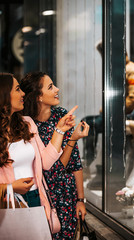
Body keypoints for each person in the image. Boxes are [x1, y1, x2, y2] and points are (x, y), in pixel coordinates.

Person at [0, 72, 80, 232]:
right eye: (17, 89)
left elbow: (45, 162)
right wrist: (11, 187)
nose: (23, 93)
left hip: (36, 197)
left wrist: (60, 129)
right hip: (7, 202)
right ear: (4, 96)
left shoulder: (27, 123)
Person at [20, 72, 90, 239]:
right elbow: (51, 168)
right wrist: (72, 138)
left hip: (67, 193)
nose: (57, 89)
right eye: (50, 87)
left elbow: (75, 162)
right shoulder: (27, 125)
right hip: (45, 195)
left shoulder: (61, 115)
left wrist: (80, 199)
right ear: (38, 97)